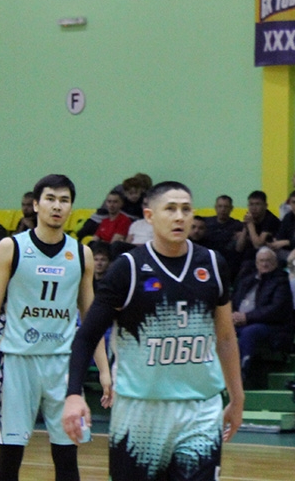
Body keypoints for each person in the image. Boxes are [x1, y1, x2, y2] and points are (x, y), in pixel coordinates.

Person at [62, 181, 244, 481]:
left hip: (200, 410)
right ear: (149, 216)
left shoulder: (212, 264)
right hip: (139, 413)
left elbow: (225, 337)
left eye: (186, 209)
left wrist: (237, 398)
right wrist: (73, 394)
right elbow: (86, 337)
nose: (179, 216)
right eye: (170, 209)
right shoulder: (127, 269)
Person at [0, 174, 109, 481]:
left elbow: (90, 318)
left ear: (71, 207)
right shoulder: (11, 247)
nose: (57, 206)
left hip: (64, 365)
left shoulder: (82, 254)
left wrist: (103, 369)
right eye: (50, 199)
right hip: (18, 362)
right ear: (36, 204)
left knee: (68, 458)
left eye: (64, 200)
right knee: (10, 459)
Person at [231, 246, 295, 382]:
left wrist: (247, 317)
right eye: (261, 261)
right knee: (219, 330)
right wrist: (231, 316)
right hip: (241, 321)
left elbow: (276, 310)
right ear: (256, 263)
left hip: (270, 325)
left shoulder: (281, 281)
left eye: (268, 261)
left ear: (275, 263)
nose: (265, 264)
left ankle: (241, 373)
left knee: (250, 332)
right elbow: (233, 301)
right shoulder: (246, 280)